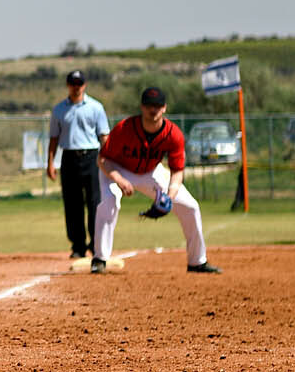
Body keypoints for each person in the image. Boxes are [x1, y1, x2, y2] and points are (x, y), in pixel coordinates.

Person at [90, 86, 220, 275]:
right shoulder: (125, 128)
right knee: (109, 202)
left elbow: (177, 171)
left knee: (190, 206)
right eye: (149, 105)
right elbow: (102, 160)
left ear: (164, 108)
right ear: (142, 107)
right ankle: (100, 259)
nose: (153, 110)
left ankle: (197, 261)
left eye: (158, 106)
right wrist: (118, 179)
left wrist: (169, 196)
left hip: (150, 172)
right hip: (116, 169)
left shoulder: (173, 134)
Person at [47, 69, 111, 260]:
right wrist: (50, 163)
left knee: (94, 203)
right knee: (72, 204)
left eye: (79, 84)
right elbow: (53, 138)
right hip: (69, 157)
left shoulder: (95, 107)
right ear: (68, 85)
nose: (76, 87)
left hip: (91, 157)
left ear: (85, 85)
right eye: (73, 84)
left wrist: (108, 162)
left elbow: (104, 137)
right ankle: (78, 245)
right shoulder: (59, 110)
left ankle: (95, 244)